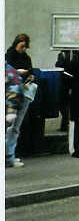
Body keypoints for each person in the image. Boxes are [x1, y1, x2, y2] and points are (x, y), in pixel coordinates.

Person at [5, 34, 38, 168]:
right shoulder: (9, 56)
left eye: (25, 47)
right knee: (10, 126)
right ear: (16, 44)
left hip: (23, 90)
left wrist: (30, 75)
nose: (23, 49)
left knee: (15, 127)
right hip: (12, 94)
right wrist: (18, 73)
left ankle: (10, 155)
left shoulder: (26, 57)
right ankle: (8, 156)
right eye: (21, 46)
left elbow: (30, 70)